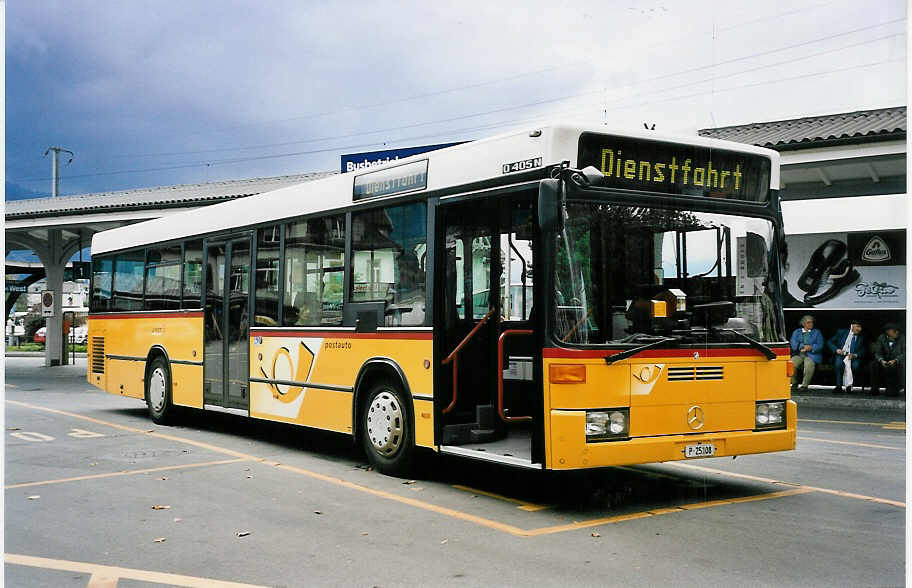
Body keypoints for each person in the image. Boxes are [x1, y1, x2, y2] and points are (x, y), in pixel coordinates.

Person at [826, 320, 864, 393]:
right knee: (838, 364)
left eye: (860, 327)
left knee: (855, 366)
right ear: (852, 326)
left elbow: (863, 349)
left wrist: (855, 355)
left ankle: (849, 386)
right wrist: (836, 350)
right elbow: (829, 342)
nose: (860, 329)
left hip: (852, 357)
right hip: (841, 355)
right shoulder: (842, 332)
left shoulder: (861, 337)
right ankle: (838, 386)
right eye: (858, 327)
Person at [789, 314, 823, 392]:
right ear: (803, 323)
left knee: (809, 365)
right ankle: (794, 383)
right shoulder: (797, 332)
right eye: (808, 322)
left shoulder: (816, 332)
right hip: (799, 354)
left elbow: (820, 344)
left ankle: (805, 385)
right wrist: (802, 346)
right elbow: (793, 343)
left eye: (812, 322)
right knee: (791, 363)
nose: (811, 324)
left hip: (812, 355)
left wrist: (810, 348)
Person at [870, 322, 905, 397]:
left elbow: (905, 352)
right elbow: (877, 352)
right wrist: (881, 360)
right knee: (874, 365)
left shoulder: (902, 338)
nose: (897, 332)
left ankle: (893, 390)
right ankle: (875, 389)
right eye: (894, 331)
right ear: (888, 332)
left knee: (900, 367)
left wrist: (895, 360)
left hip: (897, 362)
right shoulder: (881, 338)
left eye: (897, 331)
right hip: (884, 361)